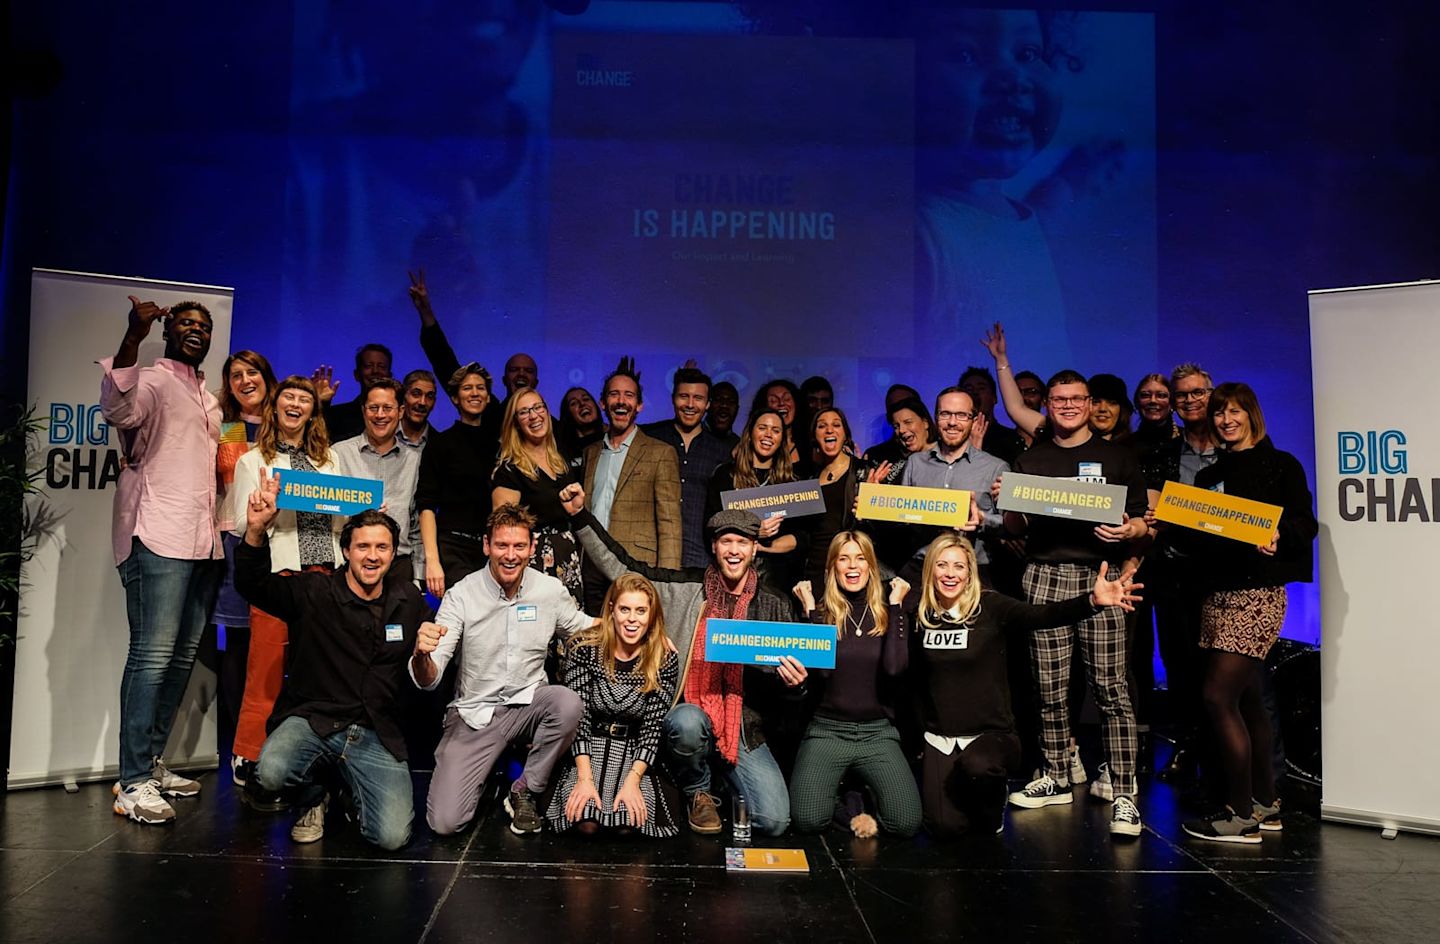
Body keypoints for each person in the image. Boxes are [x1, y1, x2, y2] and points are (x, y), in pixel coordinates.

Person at [563, 497, 803, 837]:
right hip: (688, 713)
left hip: (743, 727)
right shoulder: (685, 588)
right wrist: (580, 516)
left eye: (742, 542)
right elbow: (622, 567)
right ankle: (698, 788)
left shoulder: (774, 604)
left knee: (774, 821)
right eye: (726, 542)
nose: (734, 551)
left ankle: (724, 777)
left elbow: (787, 693)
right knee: (687, 722)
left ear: (754, 549)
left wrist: (795, 686)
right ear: (714, 548)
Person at [908, 534, 1140, 837]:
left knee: (978, 772)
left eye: (959, 567)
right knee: (942, 827)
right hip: (941, 738)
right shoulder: (922, 615)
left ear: (969, 573)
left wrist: (1091, 602)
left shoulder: (989, 605)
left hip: (990, 737)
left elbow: (1042, 615)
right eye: (942, 565)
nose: (950, 574)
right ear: (930, 570)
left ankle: (994, 798)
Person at [1001, 369, 1150, 838]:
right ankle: (1057, 775)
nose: (1067, 406)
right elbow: (1015, 530)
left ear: (1089, 404)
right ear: (1046, 403)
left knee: (1111, 688)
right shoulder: (1031, 459)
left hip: (1100, 576)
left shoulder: (1118, 457)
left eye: (1076, 399)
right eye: (1058, 399)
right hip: (1045, 575)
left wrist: (1130, 534)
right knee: (1049, 687)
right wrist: (1006, 505)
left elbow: (1146, 524)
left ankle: (1124, 791)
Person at [238, 478, 425, 849]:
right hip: (314, 721)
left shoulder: (409, 602)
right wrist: (256, 531)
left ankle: (344, 787)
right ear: (346, 551)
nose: (372, 556)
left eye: (382, 547)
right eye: (363, 547)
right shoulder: (314, 591)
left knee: (391, 838)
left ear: (392, 554)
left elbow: (425, 675)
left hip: (374, 732)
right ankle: (313, 793)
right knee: (271, 772)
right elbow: (252, 585)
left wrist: (425, 652)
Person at [101, 295, 225, 824]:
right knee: (151, 657)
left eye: (205, 325)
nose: (196, 330)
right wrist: (132, 334)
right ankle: (130, 782)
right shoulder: (151, 378)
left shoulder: (208, 398)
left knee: (179, 659)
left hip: (203, 540)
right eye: (187, 323)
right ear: (168, 330)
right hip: (157, 533)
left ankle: (149, 763)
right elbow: (117, 409)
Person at [1181, 384, 1316, 843]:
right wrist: (1174, 521)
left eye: (1234, 412)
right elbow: (1202, 540)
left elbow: (1304, 522)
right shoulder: (1207, 477)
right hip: (1217, 596)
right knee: (1250, 700)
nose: (1225, 420)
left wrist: (1280, 534)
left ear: (1252, 415)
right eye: (1218, 413)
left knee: (1218, 698)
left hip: (1257, 596)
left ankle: (1240, 816)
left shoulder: (1282, 465)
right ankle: (1266, 803)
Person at [412, 504, 594, 837]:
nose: (510, 555)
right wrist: (421, 656)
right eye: (501, 546)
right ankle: (481, 771)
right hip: (476, 712)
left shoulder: (549, 591)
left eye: (519, 546)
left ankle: (524, 788)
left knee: (568, 704)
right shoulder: (462, 594)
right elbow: (430, 677)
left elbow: (586, 628)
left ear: (532, 548)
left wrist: (644, 628)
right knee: (445, 823)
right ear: (486, 545)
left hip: (529, 703)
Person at [228, 376, 344, 803]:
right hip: (278, 575)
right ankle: (248, 755)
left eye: (305, 399)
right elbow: (241, 524)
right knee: (266, 666)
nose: (296, 404)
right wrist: (263, 512)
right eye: (288, 398)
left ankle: (315, 756)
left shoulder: (328, 460)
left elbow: (342, 518)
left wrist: (363, 509)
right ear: (274, 407)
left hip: (326, 575)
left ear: (313, 410)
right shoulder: (253, 460)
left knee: (320, 669)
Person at [789, 532, 920, 837]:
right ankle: (849, 801)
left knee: (906, 823)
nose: (852, 566)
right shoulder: (821, 614)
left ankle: (864, 796)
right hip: (827, 731)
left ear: (872, 567)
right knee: (808, 819)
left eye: (861, 558)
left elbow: (895, 666)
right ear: (832, 567)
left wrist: (897, 606)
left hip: (877, 733)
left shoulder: (890, 614)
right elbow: (820, 672)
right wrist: (809, 612)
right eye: (843, 558)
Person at [546, 573, 682, 838]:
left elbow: (653, 728)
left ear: (651, 614)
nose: (632, 619)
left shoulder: (663, 658)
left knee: (627, 824)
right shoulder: (584, 648)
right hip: (586, 751)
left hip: (635, 755)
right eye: (625, 609)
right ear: (612, 610)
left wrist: (633, 782)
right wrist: (584, 779)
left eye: (641, 611)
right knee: (585, 822)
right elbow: (580, 719)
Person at [1141, 363, 1219, 786]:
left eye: (1197, 393)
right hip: (1174, 576)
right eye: (1181, 395)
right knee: (1182, 671)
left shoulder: (1236, 447)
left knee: (1225, 680)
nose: (1189, 401)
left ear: (1212, 393)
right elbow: (1156, 514)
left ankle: (1233, 762)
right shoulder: (1163, 456)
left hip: (1227, 578)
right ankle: (1190, 750)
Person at [212, 350, 276, 780]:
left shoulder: (285, 423)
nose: (245, 380)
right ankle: (241, 745)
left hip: (280, 542)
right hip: (234, 539)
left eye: (252, 372)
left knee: (275, 646)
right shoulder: (224, 426)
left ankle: (274, 741)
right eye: (236, 375)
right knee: (237, 643)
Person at [893, 387, 1006, 582]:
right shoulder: (916, 463)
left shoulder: (995, 467)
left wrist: (982, 519)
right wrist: (873, 501)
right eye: (945, 414)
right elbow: (901, 519)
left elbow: (1010, 527)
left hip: (972, 573)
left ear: (974, 419)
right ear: (936, 417)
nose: (952, 422)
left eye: (961, 415)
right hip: (922, 570)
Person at [582, 357, 683, 570]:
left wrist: (667, 579)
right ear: (602, 403)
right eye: (613, 394)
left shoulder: (661, 453)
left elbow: (670, 524)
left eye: (629, 395)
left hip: (636, 566)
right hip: (590, 564)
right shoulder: (590, 453)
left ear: (639, 405)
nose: (621, 401)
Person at [416, 362, 501, 598]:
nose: (475, 393)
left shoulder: (500, 446)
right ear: (454, 397)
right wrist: (432, 561)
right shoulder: (440, 443)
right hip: (452, 548)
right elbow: (426, 506)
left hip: (491, 549)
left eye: (481, 388)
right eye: (467, 388)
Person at [492, 389, 584, 602]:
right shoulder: (509, 469)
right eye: (524, 412)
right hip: (533, 563)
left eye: (538, 407)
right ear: (515, 423)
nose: (533, 416)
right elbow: (504, 531)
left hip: (567, 556)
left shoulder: (560, 460)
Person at [332, 379, 422, 585]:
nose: (380, 415)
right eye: (373, 408)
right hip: (351, 565)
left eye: (387, 408)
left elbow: (417, 523)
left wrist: (418, 575)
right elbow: (326, 511)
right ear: (363, 411)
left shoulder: (415, 460)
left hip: (399, 565)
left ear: (400, 412)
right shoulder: (338, 454)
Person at [642, 367, 734, 569]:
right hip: (652, 556)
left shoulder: (723, 451)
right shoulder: (650, 438)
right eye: (684, 396)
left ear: (708, 404)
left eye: (698, 398)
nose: (690, 404)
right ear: (673, 398)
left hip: (701, 560)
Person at [705, 409, 806, 592]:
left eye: (775, 430)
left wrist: (763, 547)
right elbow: (710, 527)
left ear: (782, 439)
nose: (768, 434)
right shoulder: (725, 476)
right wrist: (753, 531)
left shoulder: (791, 484)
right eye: (762, 428)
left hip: (776, 580)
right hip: (731, 574)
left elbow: (802, 538)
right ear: (750, 433)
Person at [803, 407, 881, 585]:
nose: (829, 430)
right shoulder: (809, 479)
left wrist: (873, 508)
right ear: (815, 437)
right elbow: (805, 533)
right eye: (822, 426)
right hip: (816, 569)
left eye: (836, 425)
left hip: (851, 570)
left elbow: (882, 531)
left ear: (845, 435)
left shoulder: (865, 472)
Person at [315, 343, 392, 443]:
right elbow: (314, 439)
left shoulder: (397, 417)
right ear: (356, 374)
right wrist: (320, 404)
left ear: (390, 375)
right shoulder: (338, 415)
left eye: (381, 366)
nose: (375, 371)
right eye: (368, 366)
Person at [959, 366, 1025, 464]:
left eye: (981, 388)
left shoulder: (1010, 439)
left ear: (994, 398)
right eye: (968, 388)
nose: (975, 392)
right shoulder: (952, 437)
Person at [750, 379, 807, 464]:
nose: (781, 403)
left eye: (787, 399)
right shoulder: (753, 445)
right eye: (773, 400)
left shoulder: (808, 443)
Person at [557, 386, 604, 466]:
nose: (582, 404)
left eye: (586, 399)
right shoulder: (562, 451)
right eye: (573, 403)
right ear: (568, 415)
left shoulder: (612, 439)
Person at [1088, 373, 1135, 447]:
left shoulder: (1134, 450)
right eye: (1096, 402)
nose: (1103, 409)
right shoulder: (1070, 446)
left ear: (1122, 410)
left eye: (1112, 403)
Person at [397, 369, 439, 451]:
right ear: (403, 397)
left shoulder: (441, 445)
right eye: (416, 394)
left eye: (429, 397)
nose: (422, 402)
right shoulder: (384, 434)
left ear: (434, 403)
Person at [705, 380, 741, 447]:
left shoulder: (739, 447)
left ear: (737, 410)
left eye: (731, 402)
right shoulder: (691, 437)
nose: (724, 405)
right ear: (707, 405)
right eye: (718, 400)